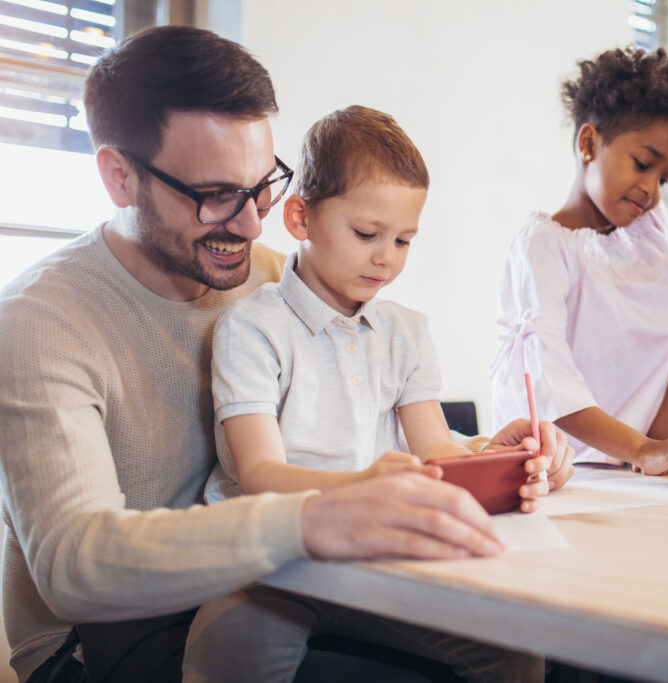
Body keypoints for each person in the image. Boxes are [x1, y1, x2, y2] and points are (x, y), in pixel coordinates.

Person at [0, 25, 570, 682]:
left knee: (529, 643)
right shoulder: (37, 321)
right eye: (215, 194)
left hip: (290, 571)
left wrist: (492, 455)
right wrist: (314, 519)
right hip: (108, 634)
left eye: (262, 184)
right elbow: (78, 567)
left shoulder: (281, 277)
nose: (251, 223)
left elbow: (378, 432)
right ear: (119, 175)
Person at [182, 106, 566, 682]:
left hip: (382, 558)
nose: (387, 257)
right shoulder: (252, 329)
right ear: (300, 218)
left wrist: (505, 465)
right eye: (367, 234)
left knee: (516, 652)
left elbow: (438, 452)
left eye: (405, 240)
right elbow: (260, 473)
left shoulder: (406, 331)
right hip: (274, 563)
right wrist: (368, 485)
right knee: (228, 650)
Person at [491, 47, 668, 481]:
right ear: (588, 143)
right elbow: (549, 382)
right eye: (643, 164)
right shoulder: (542, 247)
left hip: (632, 477)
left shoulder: (652, 239)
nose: (652, 189)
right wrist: (643, 449)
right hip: (555, 475)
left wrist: (659, 452)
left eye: (665, 177)